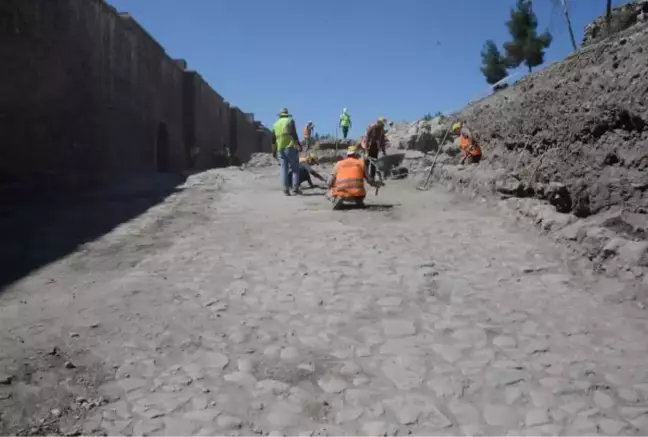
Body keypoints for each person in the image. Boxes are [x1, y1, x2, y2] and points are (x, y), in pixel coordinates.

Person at [328, 145, 378, 209]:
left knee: (333, 188)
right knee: (360, 190)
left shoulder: (339, 163)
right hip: (357, 192)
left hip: (341, 191)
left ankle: (337, 197)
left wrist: (330, 187)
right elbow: (369, 180)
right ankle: (358, 200)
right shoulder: (361, 163)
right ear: (356, 154)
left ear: (347, 154)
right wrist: (375, 184)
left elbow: (329, 181)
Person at [272, 108, 302, 195]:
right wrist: (298, 145)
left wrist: (274, 152)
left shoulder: (275, 124)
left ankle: (285, 189)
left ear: (280, 115)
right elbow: (294, 134)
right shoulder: (290, 121)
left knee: (283, 169)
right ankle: (295, 188)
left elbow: (273, 140)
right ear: (287, 114)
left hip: (280, 148)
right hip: (290, 146)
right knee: (295, 168)